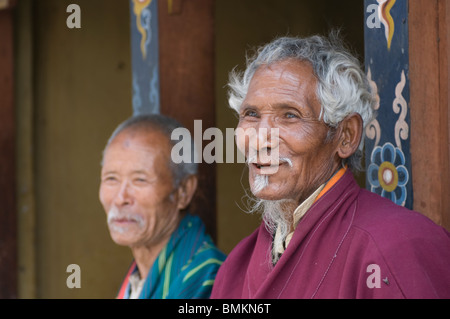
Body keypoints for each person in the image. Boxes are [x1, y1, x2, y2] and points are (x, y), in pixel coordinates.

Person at [210, 33, 450, 299]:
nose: (260, 138)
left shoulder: (394, 248)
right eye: (251, 115)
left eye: (289, 115)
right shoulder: (236, 266)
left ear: (345, 136)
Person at [99, 114, 225, 299]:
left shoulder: (210, 279)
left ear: (184, 191)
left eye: (140, 180)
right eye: (111, 179)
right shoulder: (137, 279)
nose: (120, 198)